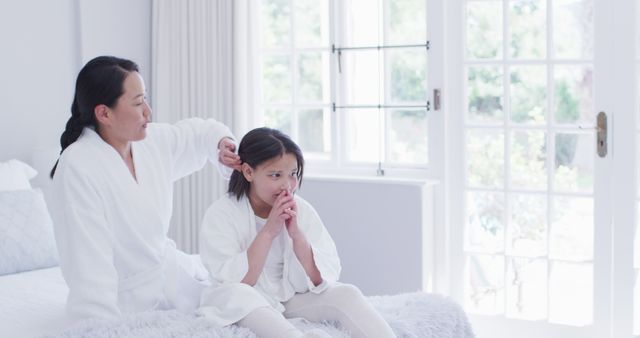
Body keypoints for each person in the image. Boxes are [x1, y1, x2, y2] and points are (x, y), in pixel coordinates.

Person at [49, 55, 241, 320]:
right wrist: (98, 324)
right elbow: (87, 263)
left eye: (145, 99)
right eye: (138, 103)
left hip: (172, 284)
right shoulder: (78, 166)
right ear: (104, 113)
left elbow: (200, 133)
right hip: (126, 305)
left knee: (248, 299)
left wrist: (221, 144)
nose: (148, 112)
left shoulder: (148, 142)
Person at [198, 127, 396, 338]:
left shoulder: (302, 209)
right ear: (248, 172)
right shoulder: (221, 214)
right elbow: (240, 281)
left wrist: (296, 234)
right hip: (246, 300)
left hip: (290, 297)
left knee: (346, 293)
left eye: (293, 174)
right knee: (239, 295)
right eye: (275, 175)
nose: (287, 185)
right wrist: (269, 231)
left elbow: (319, 278)